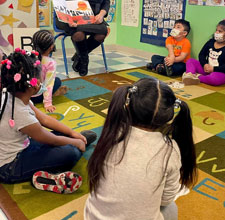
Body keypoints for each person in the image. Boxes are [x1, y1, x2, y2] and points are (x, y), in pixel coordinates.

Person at [84, 77, 197, 220]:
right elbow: (166, 200)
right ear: (168, 116)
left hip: (92, 216)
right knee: (171, 208)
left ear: (127, 106)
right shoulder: (170, 149)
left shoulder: (111, 134)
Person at [0, 49, 97, 192]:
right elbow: (51, 140)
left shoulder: (14, 97)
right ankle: (47, 177)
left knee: (62, 136)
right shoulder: (20, 112)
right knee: (71, 153)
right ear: (33, 84)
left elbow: (44, 119)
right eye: (41, 78)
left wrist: (72, 133)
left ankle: (78, 141)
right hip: (9, 167)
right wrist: (75, 142)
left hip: (22, 147)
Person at [31, 30, 68, 113]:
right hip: (37, 97)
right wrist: (48, 104)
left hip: (25, 96)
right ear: (51, 47)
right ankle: (55, 94)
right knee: (57, 81)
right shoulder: (50, 63)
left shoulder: (29, 57)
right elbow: (48, 84)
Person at [182, 19, 225, 86]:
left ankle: (198, 77)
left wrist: (214, 69)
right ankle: (190, 75)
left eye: (220, 31)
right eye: (216, 30)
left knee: (214, 79)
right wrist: (204, 64)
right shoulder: (211, 42)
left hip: (219, 72)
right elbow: (201, 54)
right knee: (190, 61)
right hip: (206, 69)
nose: (216, 33)